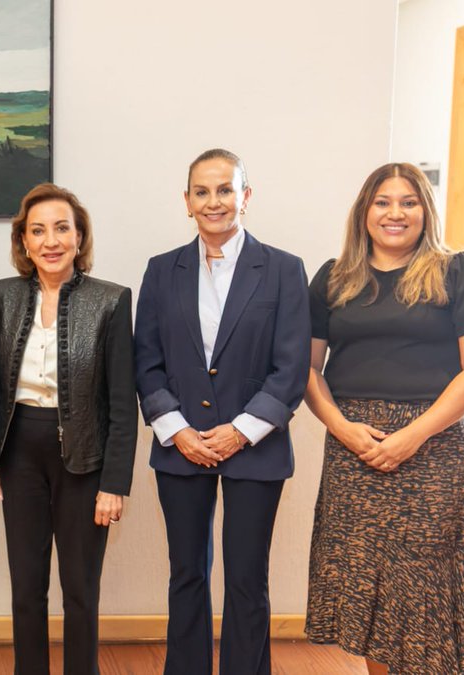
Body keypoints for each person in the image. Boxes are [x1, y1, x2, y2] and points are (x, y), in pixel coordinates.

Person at [303, 163, 464, 675]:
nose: (395, 213)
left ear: (425, 211)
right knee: (371, 594)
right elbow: (306, 369)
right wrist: (342, 428)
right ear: (364, 211)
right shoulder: (333, 277)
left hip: (436, 447)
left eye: (408, 202)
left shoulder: (460, 271)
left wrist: (413, 436)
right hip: (354, 448)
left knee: (426, 593)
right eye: (383, 202)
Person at [133, 149, 311, 674]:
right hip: (180, 445)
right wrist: (178, 430)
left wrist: (240, 431)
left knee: (246, 579)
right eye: (202, 191)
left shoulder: (283, 269)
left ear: (245, 196)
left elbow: (291, 368)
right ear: (187, 201)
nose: (214, 201)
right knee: (186, 574)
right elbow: (146, 362)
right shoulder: (161, 270)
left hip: (256, 447)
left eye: (226, 189)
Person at [0, 184, 136, 674]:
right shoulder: (4, 295)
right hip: (19, 452)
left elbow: (122, 402)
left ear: (79, 236)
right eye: (38, 230)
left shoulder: (111, 300)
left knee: (81, 589)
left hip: (85, 459)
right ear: (24, 241)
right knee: (26, 588)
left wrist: (115, 483)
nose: (51, 241)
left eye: (62, 228)